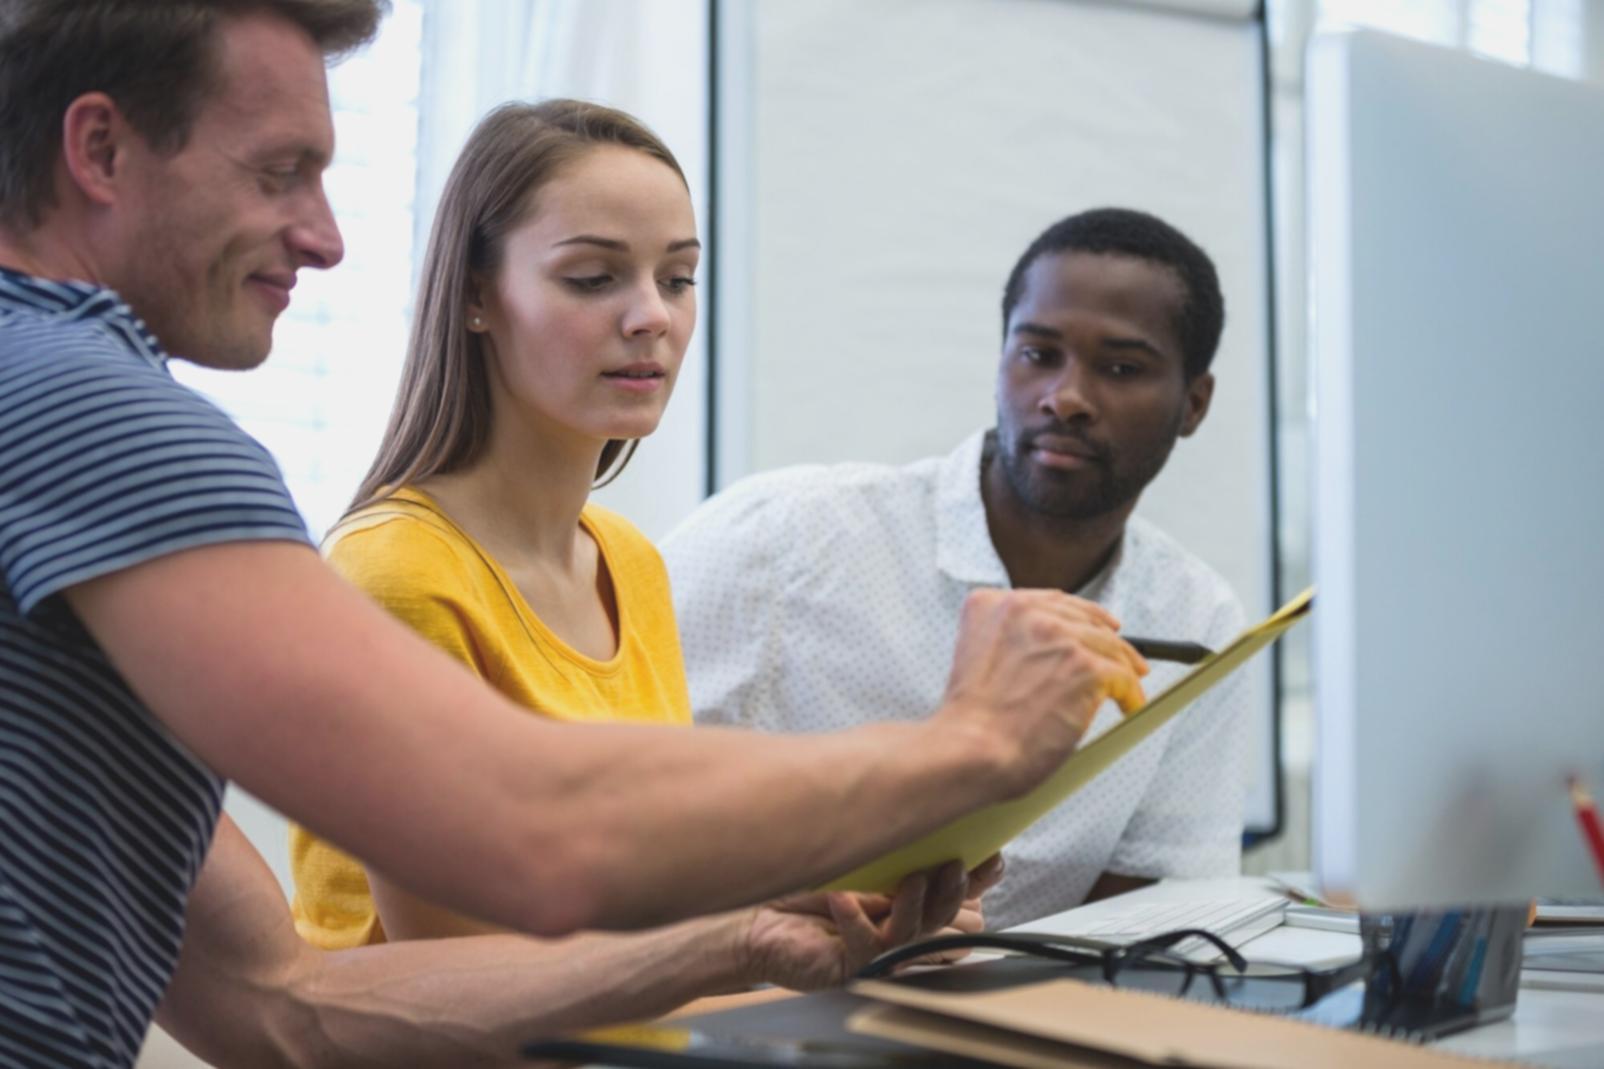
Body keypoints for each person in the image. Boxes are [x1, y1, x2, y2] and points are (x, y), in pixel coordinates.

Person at [0, 3, 1146, 1065]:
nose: (326, 237)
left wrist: (744, 938)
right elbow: (531, 830)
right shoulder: (89, 413)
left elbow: (280, 1004)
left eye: (677, 277)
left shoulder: (53, 420)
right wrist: (971, 747)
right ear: (97, 150)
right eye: (277, 174)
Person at [286, 96, 1000, 982]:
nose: (652, 317)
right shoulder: (395, 571)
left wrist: (828, 896)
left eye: (678, 277)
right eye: (593, 278)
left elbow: (630, 892)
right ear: (476, 296)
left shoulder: (628, 560)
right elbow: (463, 966)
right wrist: (751, 935)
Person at [663, 207, 1250, 931]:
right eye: (1037, 354)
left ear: (1193, 404)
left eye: (1121, 368)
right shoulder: (781, 539)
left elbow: (1153, 913)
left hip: (1015, 1027)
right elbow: (612, 811)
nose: (1064, 397)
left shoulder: (1198, 620)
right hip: (743, 1010)